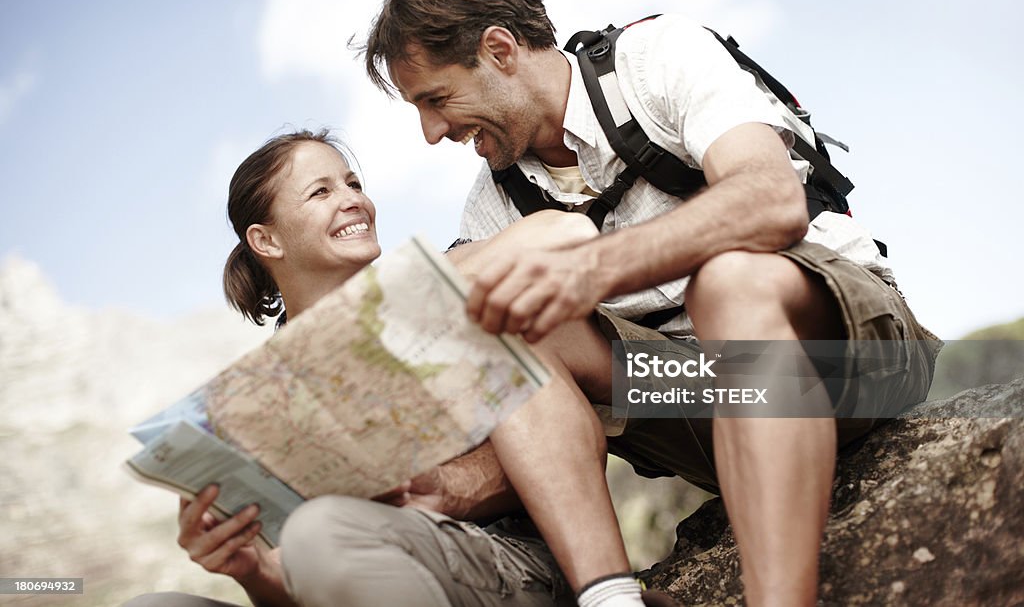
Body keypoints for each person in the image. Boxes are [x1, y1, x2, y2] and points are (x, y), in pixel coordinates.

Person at [362, 0, 942, 606]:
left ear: (499, 49)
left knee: (727, 282)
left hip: (846, 355)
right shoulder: (492, 202)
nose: (432, 131)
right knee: (510, 323)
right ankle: (612, 598)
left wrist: (594, 264)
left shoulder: (655, 57)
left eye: (435, 99)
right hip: (709, 398)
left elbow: (771, 199)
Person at [124, 129, 676, 607]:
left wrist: (405, 308)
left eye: (353, 184)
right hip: (361, 571)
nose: (353, 201)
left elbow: (567, 234)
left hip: (501, 560)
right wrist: (247, 567)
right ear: (266, 240)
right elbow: (306, 588)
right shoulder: (268, 397)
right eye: (321, 192)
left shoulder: (437, 286)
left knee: (321, 533)